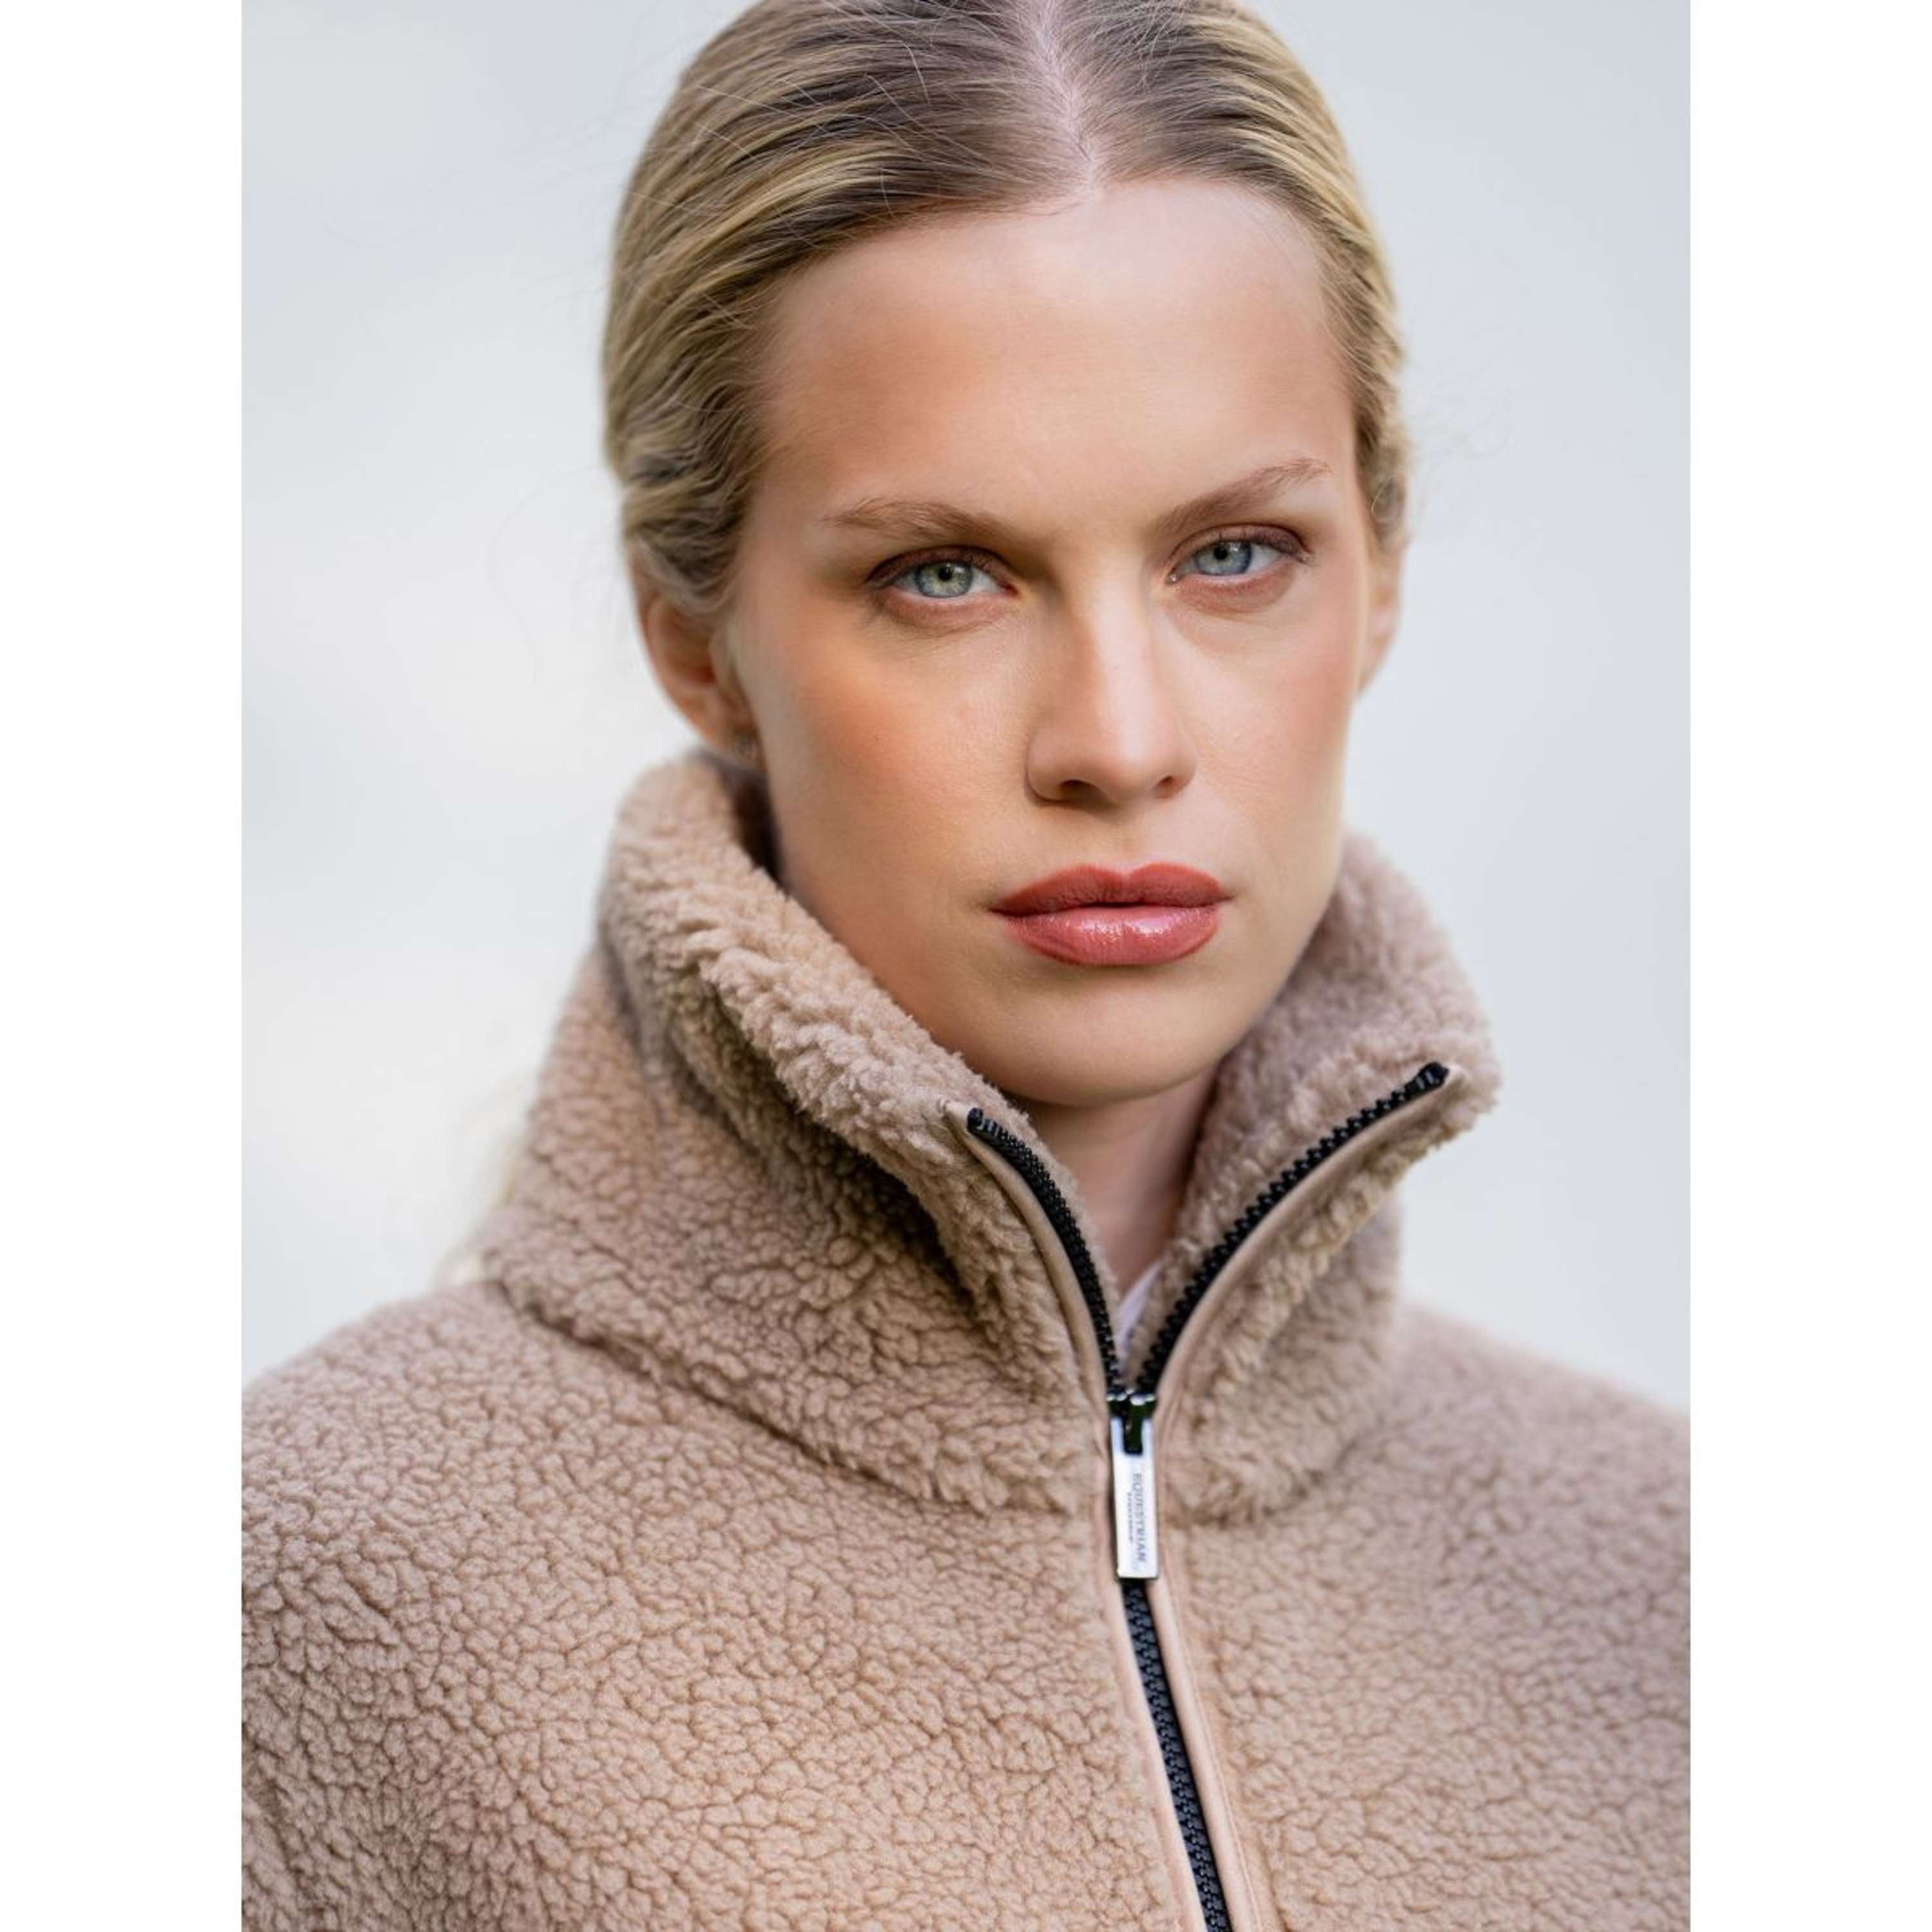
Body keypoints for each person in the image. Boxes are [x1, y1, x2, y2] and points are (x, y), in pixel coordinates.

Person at [242, 3, 1689, 1926]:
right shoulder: (277, 1600)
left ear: (1382, 575)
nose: (1117, 739)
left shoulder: (1677, 1599)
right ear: (693, 640)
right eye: (946, 574)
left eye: (1235, 555)